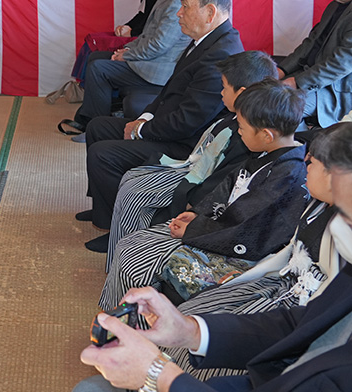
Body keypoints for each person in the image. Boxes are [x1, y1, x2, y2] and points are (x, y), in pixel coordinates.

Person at [75, 121, 352, 391]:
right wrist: (189, 330)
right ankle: (125, 344)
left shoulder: (291, 177)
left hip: (246, 257)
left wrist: (158, 376)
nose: (340, 226)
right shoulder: (323, 212)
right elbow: (300, 323)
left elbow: (250, 233)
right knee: (176, 301)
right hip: (264, 271)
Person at [99, 80, 308, 310]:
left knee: (136, 259)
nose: (238, 131)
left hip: (242, 251)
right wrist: (197, 215)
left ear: (267, 135)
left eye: (242, 127)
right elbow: (228, 189)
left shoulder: (287, 173)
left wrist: (195, 230)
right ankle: (120, 317)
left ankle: (132, 327)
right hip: (220, 229)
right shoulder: (268, 154)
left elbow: (247, 226)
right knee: (130, 243)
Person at [166, 123, 351, 382]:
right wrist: (242, 280)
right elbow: (288, 254)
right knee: (196, 310)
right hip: (281, 281)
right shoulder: (317, 205)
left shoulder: (341, 233)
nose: (306, 162)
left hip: (299, 302)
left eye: (314, 162)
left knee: (209, 352)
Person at [81, 0, 244, 251]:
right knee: (97, 126)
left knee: (103, 153)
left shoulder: (220, 54)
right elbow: (168, 93)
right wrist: (143, 119)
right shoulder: (205, 41)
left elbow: (188, 122)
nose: (179, 12)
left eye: (184, 6)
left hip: (186, 145)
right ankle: (106, 214)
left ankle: (122, 233)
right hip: (170, 125)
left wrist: (140, 131)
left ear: (210, 12)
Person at [103, 51, 278, 270]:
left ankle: (122, 257)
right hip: (192, 169)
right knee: (132, 178)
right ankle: (117, 252)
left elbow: (220, 179)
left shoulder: (247, 135)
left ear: (242, 93)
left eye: (224, 87)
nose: (221, 92)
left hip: (196, 182)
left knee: (135, 193)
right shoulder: (234, 117)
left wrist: (190, 200)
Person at [60, 0, 191, 136]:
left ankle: (96, 127)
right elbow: (148, 33)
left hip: (159, 67)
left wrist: (128, 55)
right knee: (95, 57)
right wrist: (127, 51)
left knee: (99, 68)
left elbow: (159, 44)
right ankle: (89, 119)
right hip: (152, 57)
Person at [278, 0, 352, 128]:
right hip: (309, 75)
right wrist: (282, 70)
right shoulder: (334, 6)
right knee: (261, 91)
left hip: (334, 89)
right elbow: (310, 43)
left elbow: (340, 64)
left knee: (278, 108)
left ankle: (302, 148)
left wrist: (297, 81)